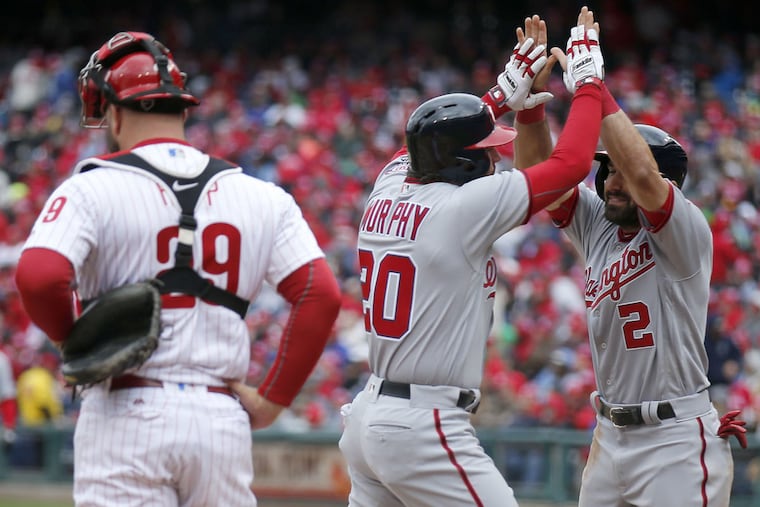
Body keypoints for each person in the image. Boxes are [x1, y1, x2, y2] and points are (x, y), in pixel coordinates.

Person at [14, 31, 341, 506]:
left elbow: (39, 277)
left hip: (127, 407)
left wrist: (71, 340)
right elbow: (321, 295)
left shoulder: (91, 187)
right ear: (182, 109)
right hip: (220, 418)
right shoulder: (262, 194)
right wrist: (272, 398)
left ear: (113, 110)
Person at [337, 10, 606, 507]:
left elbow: (426, 137)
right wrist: (588, 85)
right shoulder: (461, 208)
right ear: (461, 163)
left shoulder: (388, 185)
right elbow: (569, 166)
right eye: (486, 150)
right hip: (421, 425)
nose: (496, 157)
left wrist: (504, 95)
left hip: (372, 413)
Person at [530, 7, 748, 506]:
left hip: (673, 437)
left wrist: (593, 87)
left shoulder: (684, 227)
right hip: (610, 435)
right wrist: (529, 111)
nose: (610, 179)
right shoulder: (600, 226)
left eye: (619, 168)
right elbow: (542, 181)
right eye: (604, 170)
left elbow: (646, 178)